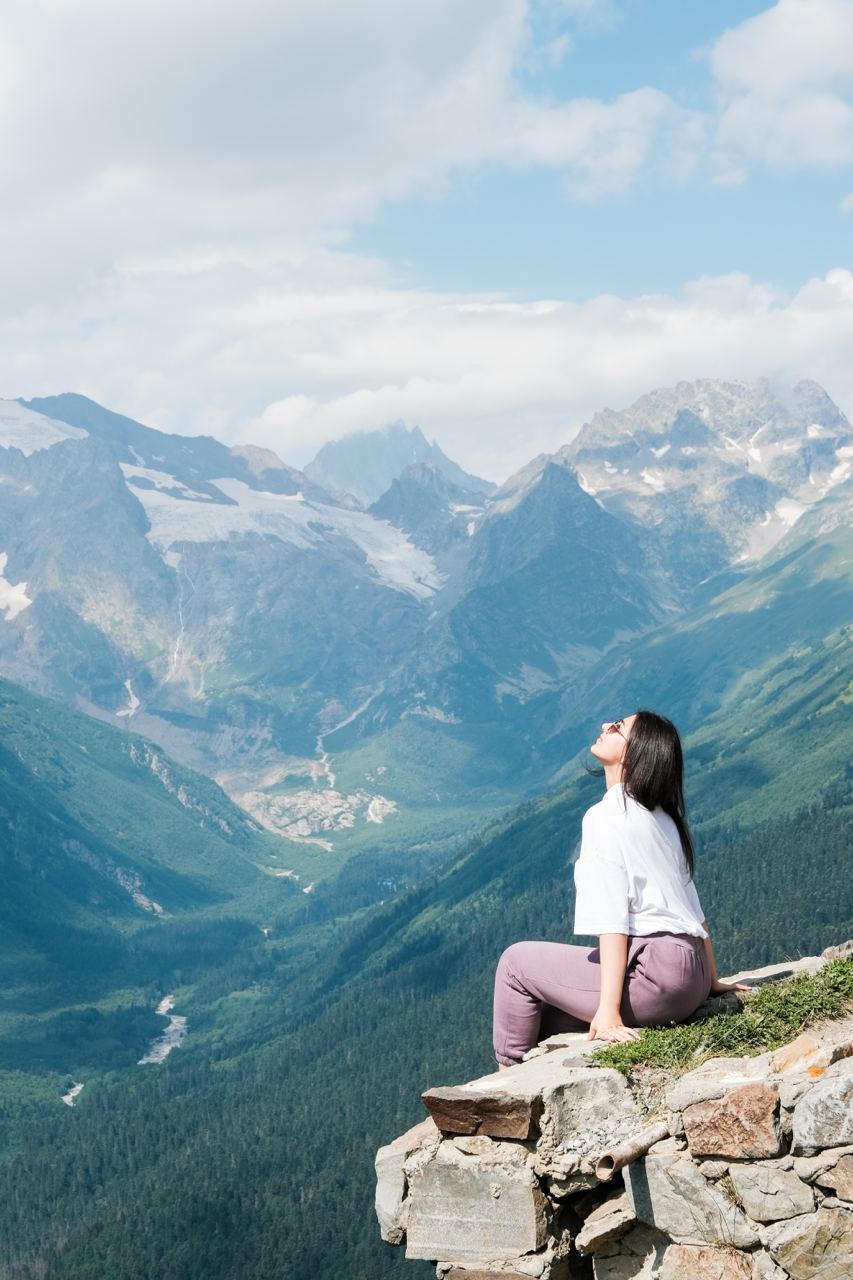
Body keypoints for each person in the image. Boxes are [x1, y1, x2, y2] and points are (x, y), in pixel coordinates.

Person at [492, 710, 750, 1067]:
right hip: (689, 979)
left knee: (515, 964)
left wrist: (609, 1011)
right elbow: (692, 907)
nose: (604, 726)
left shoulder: (606, 816)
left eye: (617, 727)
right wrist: (711, 979)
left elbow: (613, 921)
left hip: (655, 974)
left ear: (633, 752)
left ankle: (509, 1082)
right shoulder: (664, 817)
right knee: (544, 1015)